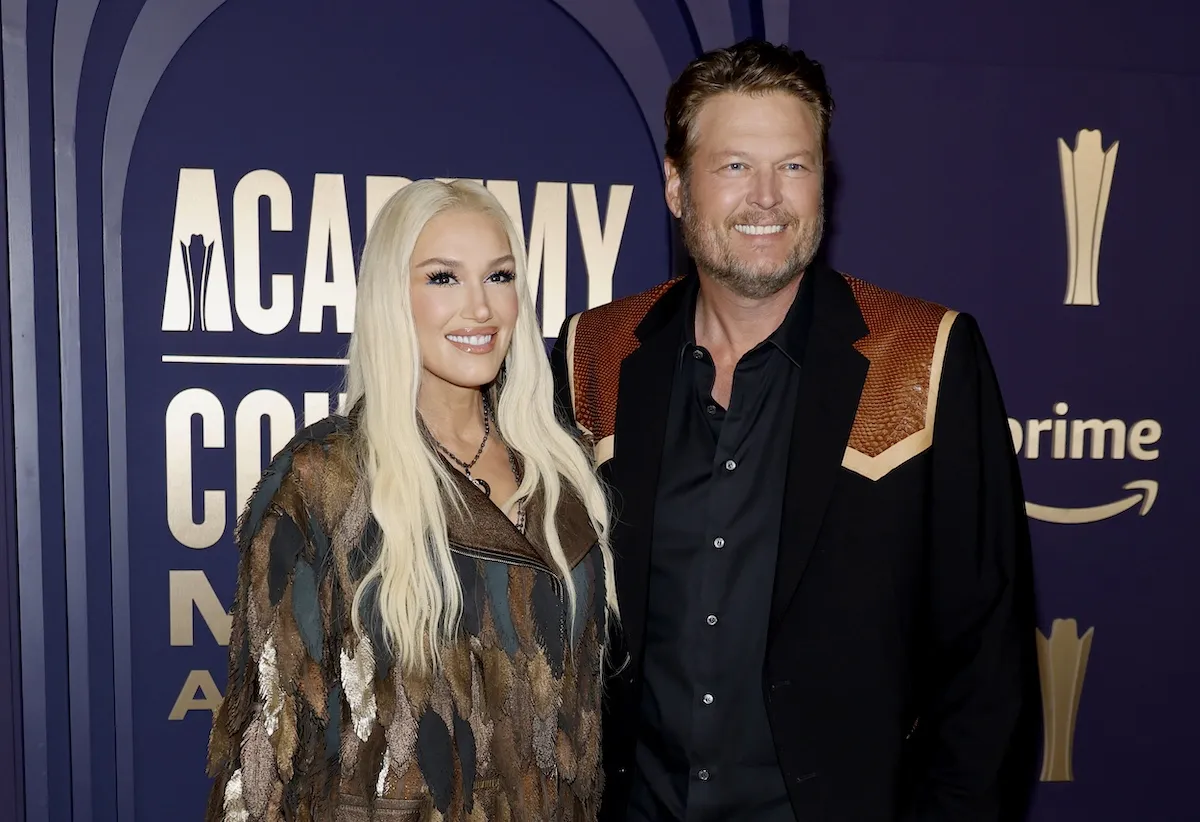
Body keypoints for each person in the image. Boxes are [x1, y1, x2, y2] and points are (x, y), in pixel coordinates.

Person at [550, 39, 1039, 821]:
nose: (768, 198)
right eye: (736, 166)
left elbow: (989, 662)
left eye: (795, 166)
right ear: (677, 186)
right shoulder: (595, 353)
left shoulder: (924, 353)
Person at [205, 179, 618, 822]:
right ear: (393, 296)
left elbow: (587, 724)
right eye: (443, 279)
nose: (480, 308)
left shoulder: (564, 472)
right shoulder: (324, 481)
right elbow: (266, 750)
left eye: (499, 276)